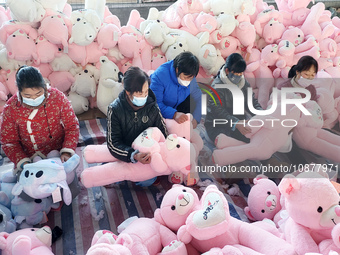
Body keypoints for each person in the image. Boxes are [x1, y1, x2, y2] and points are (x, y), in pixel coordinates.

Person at [0, 66, 79, 176]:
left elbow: (72, 126)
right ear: (18, 91)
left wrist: (66, 151)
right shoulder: (11, 108)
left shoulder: (57, 98)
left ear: (44, 87)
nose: (33, 99)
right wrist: (24, 162)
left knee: (65, 179)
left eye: (38, 94)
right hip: (28, 157)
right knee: (30, 187)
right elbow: (9, 141)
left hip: (57, 153)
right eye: (27, 95)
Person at [107, 66, 168, 186]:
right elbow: (113, 143)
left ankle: (130, 176)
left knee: (148, 179)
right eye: (140, 93)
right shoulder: (115, 109)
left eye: (146, 91)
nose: (144, 97)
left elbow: (163, 133)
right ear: (128, 92)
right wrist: (133, 155)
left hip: (146, 154)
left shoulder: (152, 107)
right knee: (113, 172)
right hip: (126, 152)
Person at [205, 53, 262, 144]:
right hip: (218, 124)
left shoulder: (243, 83)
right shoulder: (217, 86)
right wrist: (235, 123)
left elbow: (252, 102)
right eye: (237, 73)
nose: (239, 76)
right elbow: (218, 111)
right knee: (224, 142)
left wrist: (262, 115)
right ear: (227, 71)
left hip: (238, 120)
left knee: (254, 138)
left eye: (241, 73)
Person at [150, 51, 202, 129]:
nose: (187, 81)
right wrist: (174, 114)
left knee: (193, 101)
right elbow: (155, 104)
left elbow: (201, 98)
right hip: (162, 109)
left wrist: (196, 118)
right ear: (177, 70)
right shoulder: (159, 76)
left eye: (190, 78)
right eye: (185, 77)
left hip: (178, 105)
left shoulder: (190, 76)